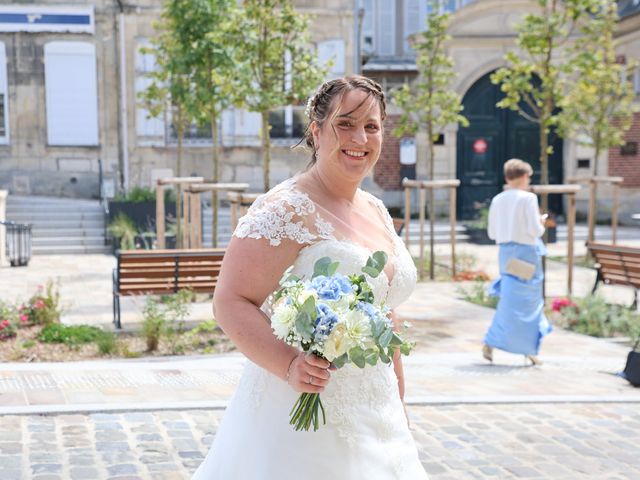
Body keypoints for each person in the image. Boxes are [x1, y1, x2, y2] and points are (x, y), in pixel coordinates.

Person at [192, 76, 428, 479]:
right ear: (317, 132)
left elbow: (384, 313)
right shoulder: (286, 208)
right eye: (346, 124)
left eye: (372, 126)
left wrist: (398, 402)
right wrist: (289, 366)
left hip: (377, 410)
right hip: (305, 417)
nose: (361, 137)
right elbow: (230, 300)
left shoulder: (376, 209)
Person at [482, 158, 552, 366]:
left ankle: (496, 343)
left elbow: (492, 232)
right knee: (529, 303)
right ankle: (529, 349)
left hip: (506, 253)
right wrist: (540, 222)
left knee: (510, 300)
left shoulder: (498, 199)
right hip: (526, 254)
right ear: (523, 177)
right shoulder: (528, 199)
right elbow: (535, 231)